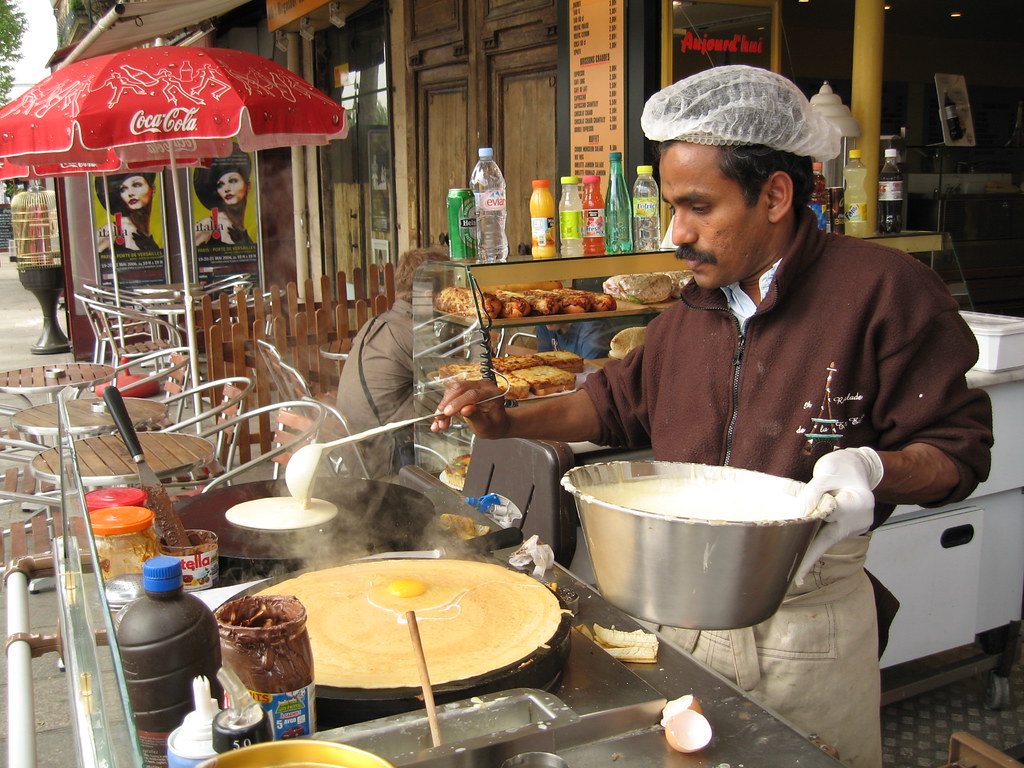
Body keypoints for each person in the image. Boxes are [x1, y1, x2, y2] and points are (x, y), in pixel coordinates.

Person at [432, 65, 992, 768]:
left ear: (777, 195)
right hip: (674, 616)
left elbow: (958, 454)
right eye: (671, 206)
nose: (676, 233)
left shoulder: (883, 294)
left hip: (803, 624)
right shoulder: (695, 308)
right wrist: (511, 419)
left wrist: (873, 467)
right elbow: (610, 404)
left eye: (699, 206)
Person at [337, 247, 450, 478]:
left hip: (358, 453)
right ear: (429, 294)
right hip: (386, 460)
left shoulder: (378, 322)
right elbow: (453, 386)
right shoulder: (415, 333)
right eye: (448, 289)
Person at [193, 148, 255, 248]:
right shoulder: (209, 225)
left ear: (248, 185)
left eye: (233, 181)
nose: (226, 189)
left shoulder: (242, 231)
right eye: (220, 185)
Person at [95, 172, 160, 252]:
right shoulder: (111, 231)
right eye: (123, 189)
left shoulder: (147, 234)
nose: (130, 193)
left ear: (153, 189)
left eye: (136, 185)